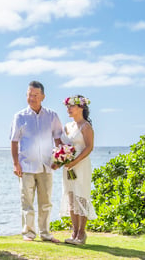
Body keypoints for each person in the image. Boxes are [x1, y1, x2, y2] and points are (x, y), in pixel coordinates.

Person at [10, 80, 63, 243]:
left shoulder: (52, 116)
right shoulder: (20, 116)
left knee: (46, 202)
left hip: (47, 166)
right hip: (26, 166)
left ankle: (46, 233)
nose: (31, 98)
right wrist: (16, 163)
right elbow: (14, 141)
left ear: (43, 97)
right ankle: (28, 233)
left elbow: (58, 139)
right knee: (27, 202)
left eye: (35, 95)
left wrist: (59, 160)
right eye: (29, 95)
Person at [55, 95, 97, 245]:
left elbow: (89, 147)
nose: (68, 109)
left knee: (81, 196)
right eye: (67, 107)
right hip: (68, 166)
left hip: (81, 165)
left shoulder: (86, 127)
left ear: (81, 108)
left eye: (71, 106)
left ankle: (81, 233)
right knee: (71, 196)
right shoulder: (67, 126)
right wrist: (60, 158)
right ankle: (73, 232)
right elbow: (61, 143)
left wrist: (75, 161)